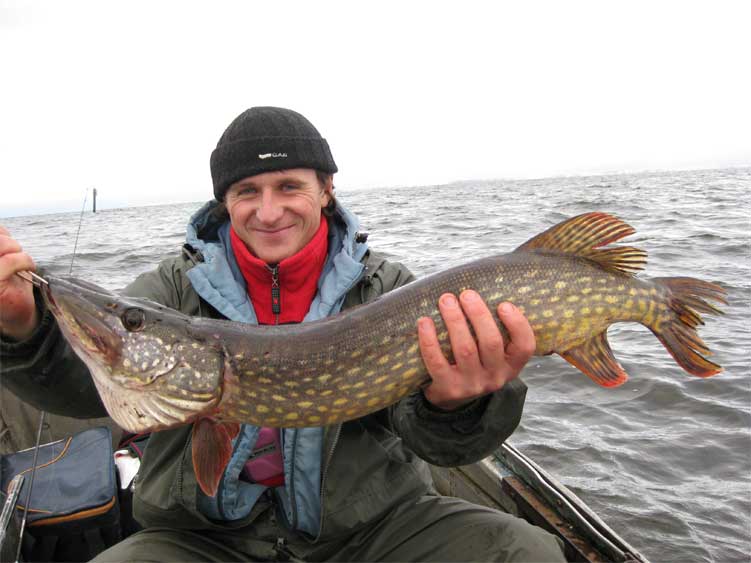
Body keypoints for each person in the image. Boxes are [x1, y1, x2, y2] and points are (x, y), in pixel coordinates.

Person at [0, 107, 566, 562]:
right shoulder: (171, 288)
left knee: (526, 552)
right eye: (247, 191)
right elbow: (88, 387)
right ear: (225, 200)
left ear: (326, 189)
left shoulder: (388, 289)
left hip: (369, 532)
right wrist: (24, 326)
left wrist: (457, 406)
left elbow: (438, 445)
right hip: (201, 540)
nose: (268, 212)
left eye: (288, 186)